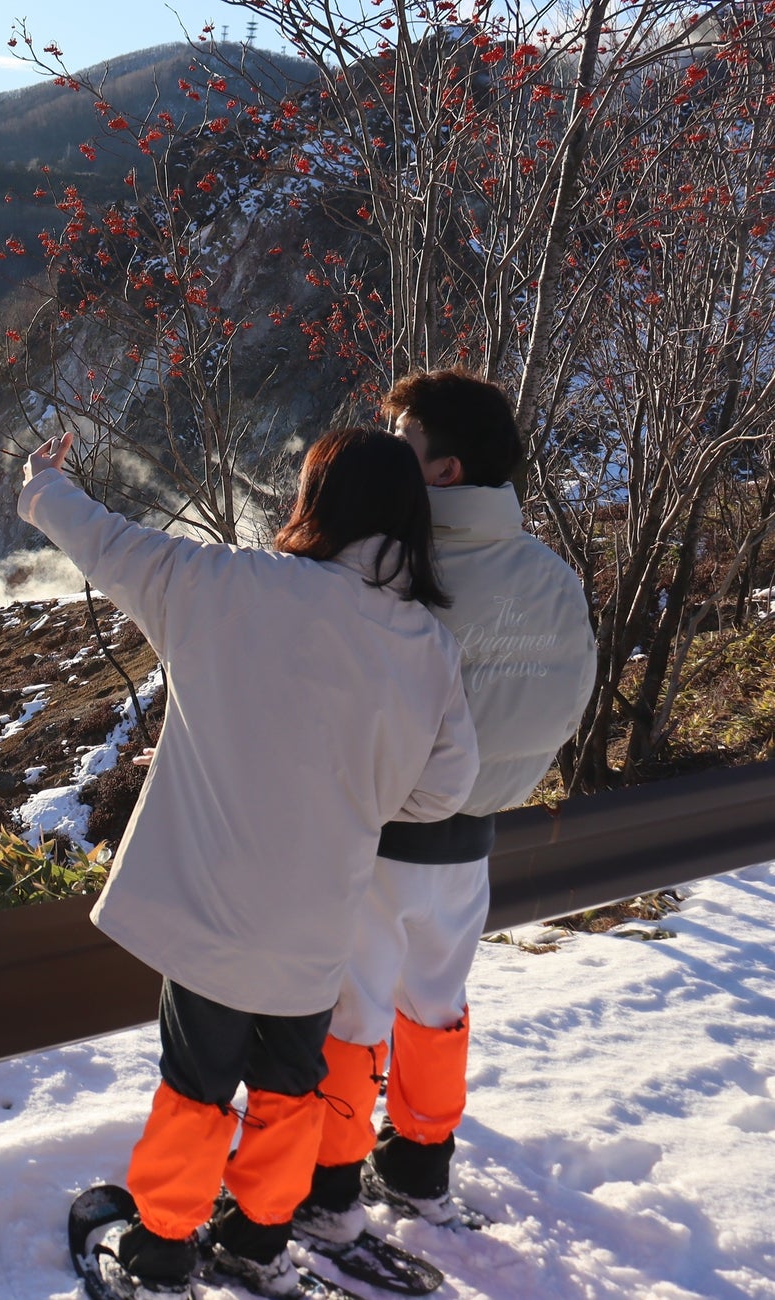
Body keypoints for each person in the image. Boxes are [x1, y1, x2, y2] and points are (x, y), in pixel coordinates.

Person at [22, 427, 480, 1298]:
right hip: (322, 918)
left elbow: (111, 544)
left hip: (215, 908)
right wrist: (359, 799)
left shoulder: (232, 586)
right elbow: (444, 787)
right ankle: (258, 1243)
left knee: (198, 1083)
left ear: (319, 505)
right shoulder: (429, 645)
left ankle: (160, 1253)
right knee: (290, 1084)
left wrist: (42, 483)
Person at [295, 372, 596, 1236]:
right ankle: (421, 1162)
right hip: (473, 841)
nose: (383, 442)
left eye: (400, 437)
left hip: (381, 837)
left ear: (445, 471)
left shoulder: (391, 571)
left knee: (352, 1012)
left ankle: (331, 1180)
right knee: (435, 1000)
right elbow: (568, 697)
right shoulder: (551, 578)